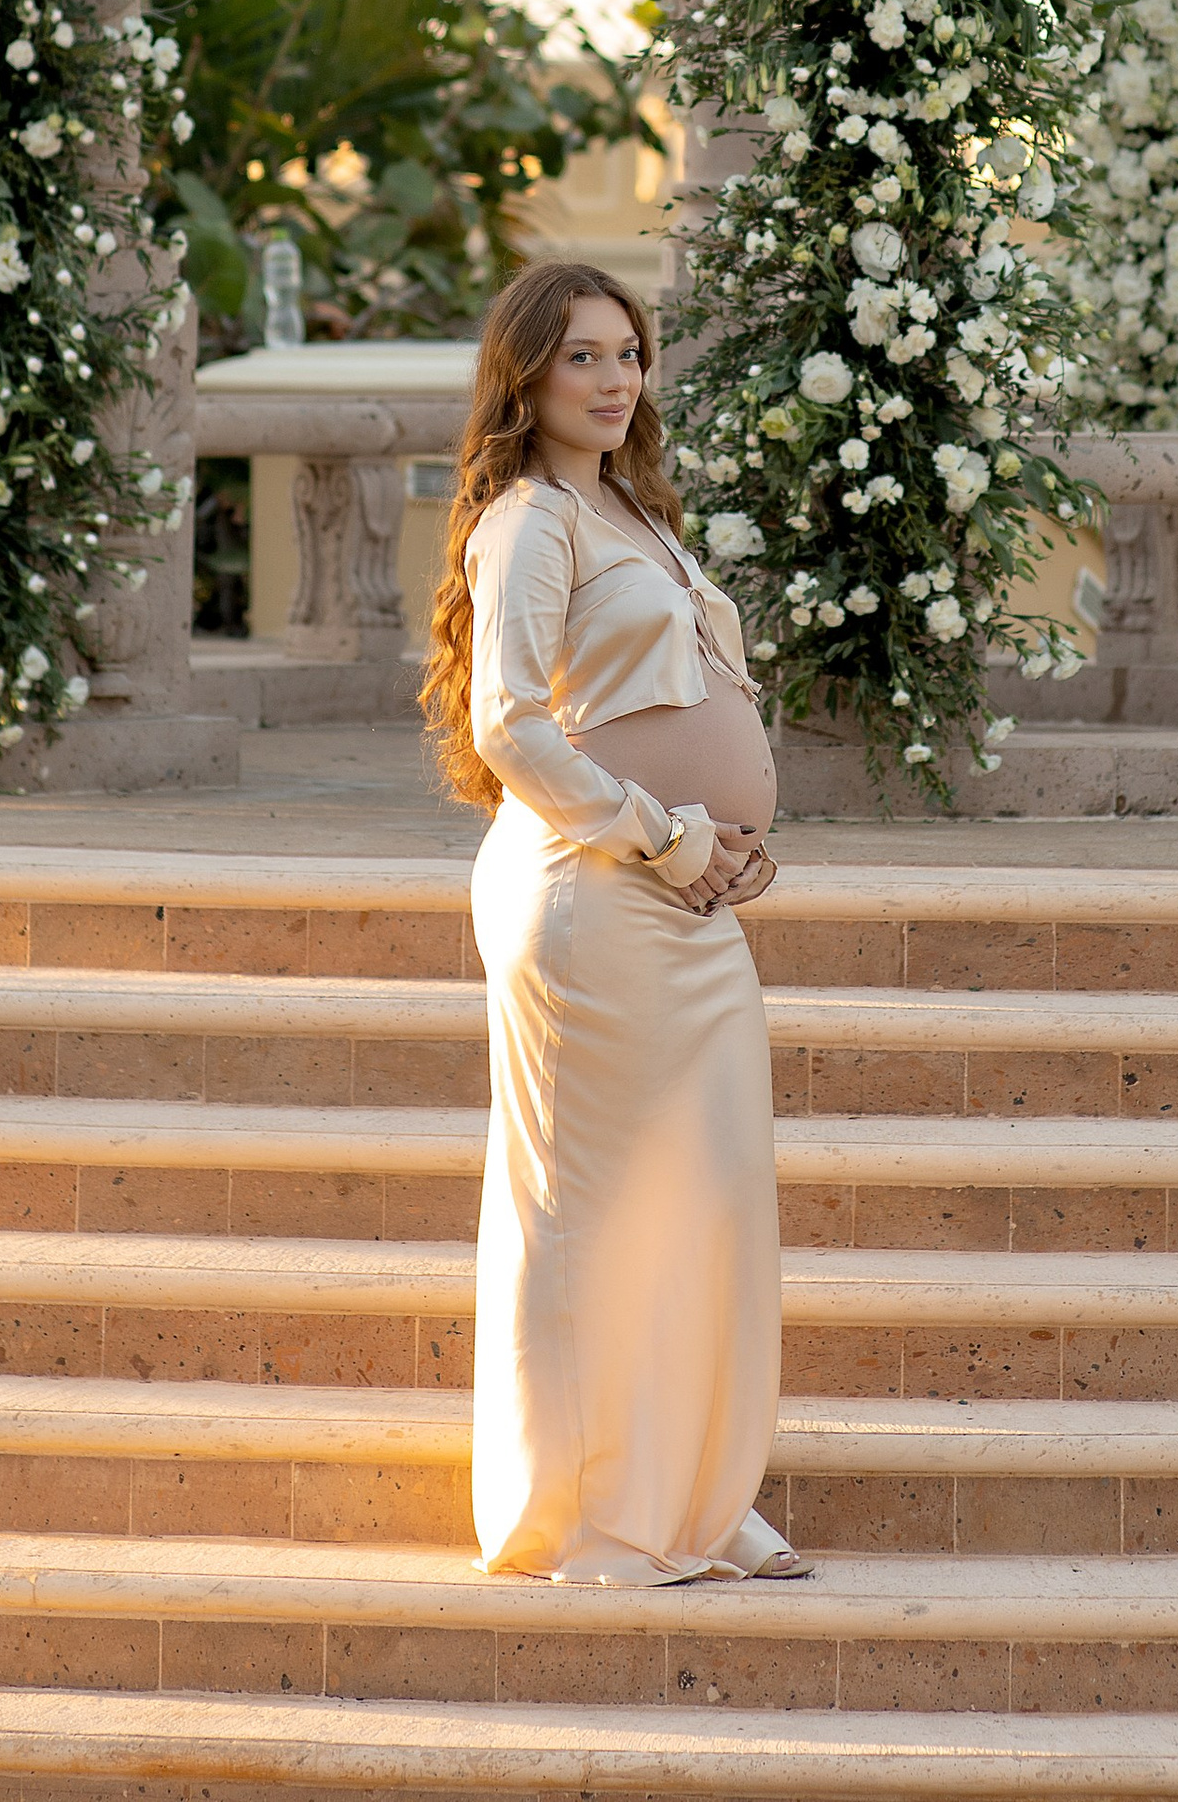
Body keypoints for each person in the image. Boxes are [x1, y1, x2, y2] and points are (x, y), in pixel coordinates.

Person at [418, 255, 810, 1586]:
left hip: (682, 894)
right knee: (589, 1210)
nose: (612, 379)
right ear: (524, 374)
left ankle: (698, 1494)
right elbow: (511, 725)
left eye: (628, 354)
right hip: (592, 895)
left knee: (704, 1196)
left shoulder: (635, 512)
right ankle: (582, 1513)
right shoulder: (530, 520)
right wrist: (670, 832)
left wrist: (734, 843)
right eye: (582, 355)